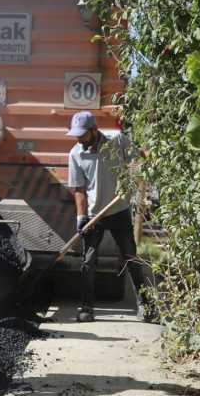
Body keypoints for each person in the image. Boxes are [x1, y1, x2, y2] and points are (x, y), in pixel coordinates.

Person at [66, 111, 152, 323]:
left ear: (94, 130)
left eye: (82, 134)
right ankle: (86, 308)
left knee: (131, 257)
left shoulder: (117, 141)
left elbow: (137, 159)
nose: (79, 139)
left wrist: (132, 177)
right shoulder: (75, 154)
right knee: (88, 261)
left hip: (119, 209)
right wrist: (81, 217)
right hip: (95, 215)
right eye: (76, 135)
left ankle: (147, 307)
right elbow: (78, 189)